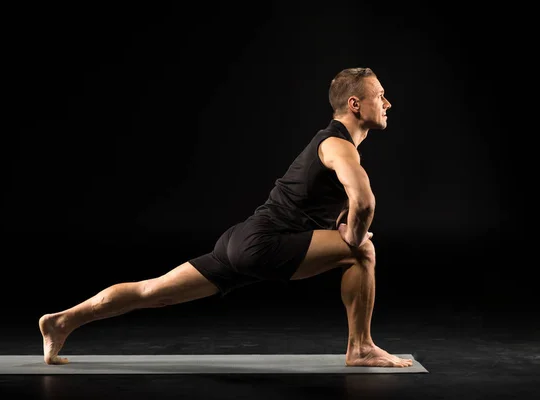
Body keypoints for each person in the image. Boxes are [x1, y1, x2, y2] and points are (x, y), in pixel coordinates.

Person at [39, 67, 413, 368]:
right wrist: (353, 236)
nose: (388, 103)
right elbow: (364, 202)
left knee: (151, 292)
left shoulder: (329, 145)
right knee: (362, 252)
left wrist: (343, 225)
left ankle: (62, 320)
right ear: (355, 104)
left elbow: (333, 207)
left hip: (241, 239)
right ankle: (361, 348)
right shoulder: (337, 145)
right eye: (379, 96)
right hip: (263, 244)